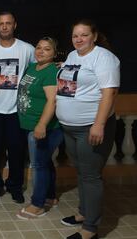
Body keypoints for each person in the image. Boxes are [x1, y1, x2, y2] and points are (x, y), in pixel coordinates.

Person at [56, 20, 120, 239]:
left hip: (89, 127)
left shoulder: (104, 58)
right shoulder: (74, 56)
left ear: (94, 36)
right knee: (82, 173)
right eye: (75, 36)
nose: (79, 39)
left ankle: (90, 229)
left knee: (91, 176)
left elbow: (109, 93)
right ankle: (84, 214)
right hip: (70, 127)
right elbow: (76, 82)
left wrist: (99, 124)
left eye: (84, 35)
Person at [0, 11, 35, 204]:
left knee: (17, 152)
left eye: (8, 23)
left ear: (14, 25)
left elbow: (39, 70)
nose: (4, 27)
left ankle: (15, 187)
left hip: (17, 111)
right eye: (1, 23)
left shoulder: (27, 49)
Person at [15, 37, 63, 219]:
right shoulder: (32, 67)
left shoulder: (51, 71)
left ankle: (38, 205)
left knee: (38, 165)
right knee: (45, 162)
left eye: (47, 49)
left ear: (54, 53)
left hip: (44, 127)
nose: (41, 51)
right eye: (39, 47)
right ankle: (50, 196)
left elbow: (52, 100)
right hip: (30, 125)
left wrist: (41, 124)